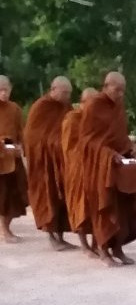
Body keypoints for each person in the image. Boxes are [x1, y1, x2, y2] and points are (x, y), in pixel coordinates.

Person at [79, 71, 136, 266]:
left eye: (123, 91)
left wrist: (128, 151)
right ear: (106, 86)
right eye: (117, 90)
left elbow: (120, 135)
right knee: (105, 209)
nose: (120, 94)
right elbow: (87, 140)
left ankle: (118, 248)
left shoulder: (119, 107)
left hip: (120, 167)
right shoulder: (94, 106)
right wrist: (108, 154)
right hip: (100, 167)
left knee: (124, 208)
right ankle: (103, 250)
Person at [23, 77, 73, 250]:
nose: (68, 96)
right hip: (43, 164)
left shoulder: (66, 107)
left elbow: (70, 130)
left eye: (69, 93)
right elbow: (32, 137)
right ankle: (51, 237)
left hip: (61, 163)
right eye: (65, 93)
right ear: (53, 89)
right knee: (48, 198)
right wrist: (54, 143)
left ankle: (61, 236)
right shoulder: (41, 107)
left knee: (63, 199)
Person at [61, 87, 98, 257]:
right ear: (82, 103)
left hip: (96, 170)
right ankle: (84, 245)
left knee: (98, 207)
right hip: (78, 170)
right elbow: (69, 147)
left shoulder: (98, 119)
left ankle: (96, 243)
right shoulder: (72, 119)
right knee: (80, 206)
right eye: (91, 102)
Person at [0, 75, 28, 242]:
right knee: (2, 196)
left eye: (6, 89)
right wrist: (5, 144)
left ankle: (6, 227)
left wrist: (21, 146)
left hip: (13, 159)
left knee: (16, 194)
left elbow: (20, 132)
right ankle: (5, 231)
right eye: (0, 90)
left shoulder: (15, 109)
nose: (4, 93)